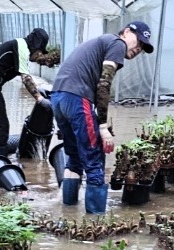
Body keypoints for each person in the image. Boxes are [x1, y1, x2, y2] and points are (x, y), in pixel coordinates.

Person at [50, 22, 152, 215]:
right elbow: (104, 85)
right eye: (139, 41)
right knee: (94, 157)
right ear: (127, 32)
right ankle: (95, 221)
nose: (139, 48)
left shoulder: (102, 42)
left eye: (142, 47)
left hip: (57, 96)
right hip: (77, 98)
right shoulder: (117, 44)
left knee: (74, 157)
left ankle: (68, 212)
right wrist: (103, 127)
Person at [0, 28, 52, 162]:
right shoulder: (21, 46)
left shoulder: (19, 47)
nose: (39, 56)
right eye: (39, 51)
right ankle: (1, 163)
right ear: (35, 45)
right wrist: (39, 98)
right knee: (2, 127)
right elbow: (26, 78)